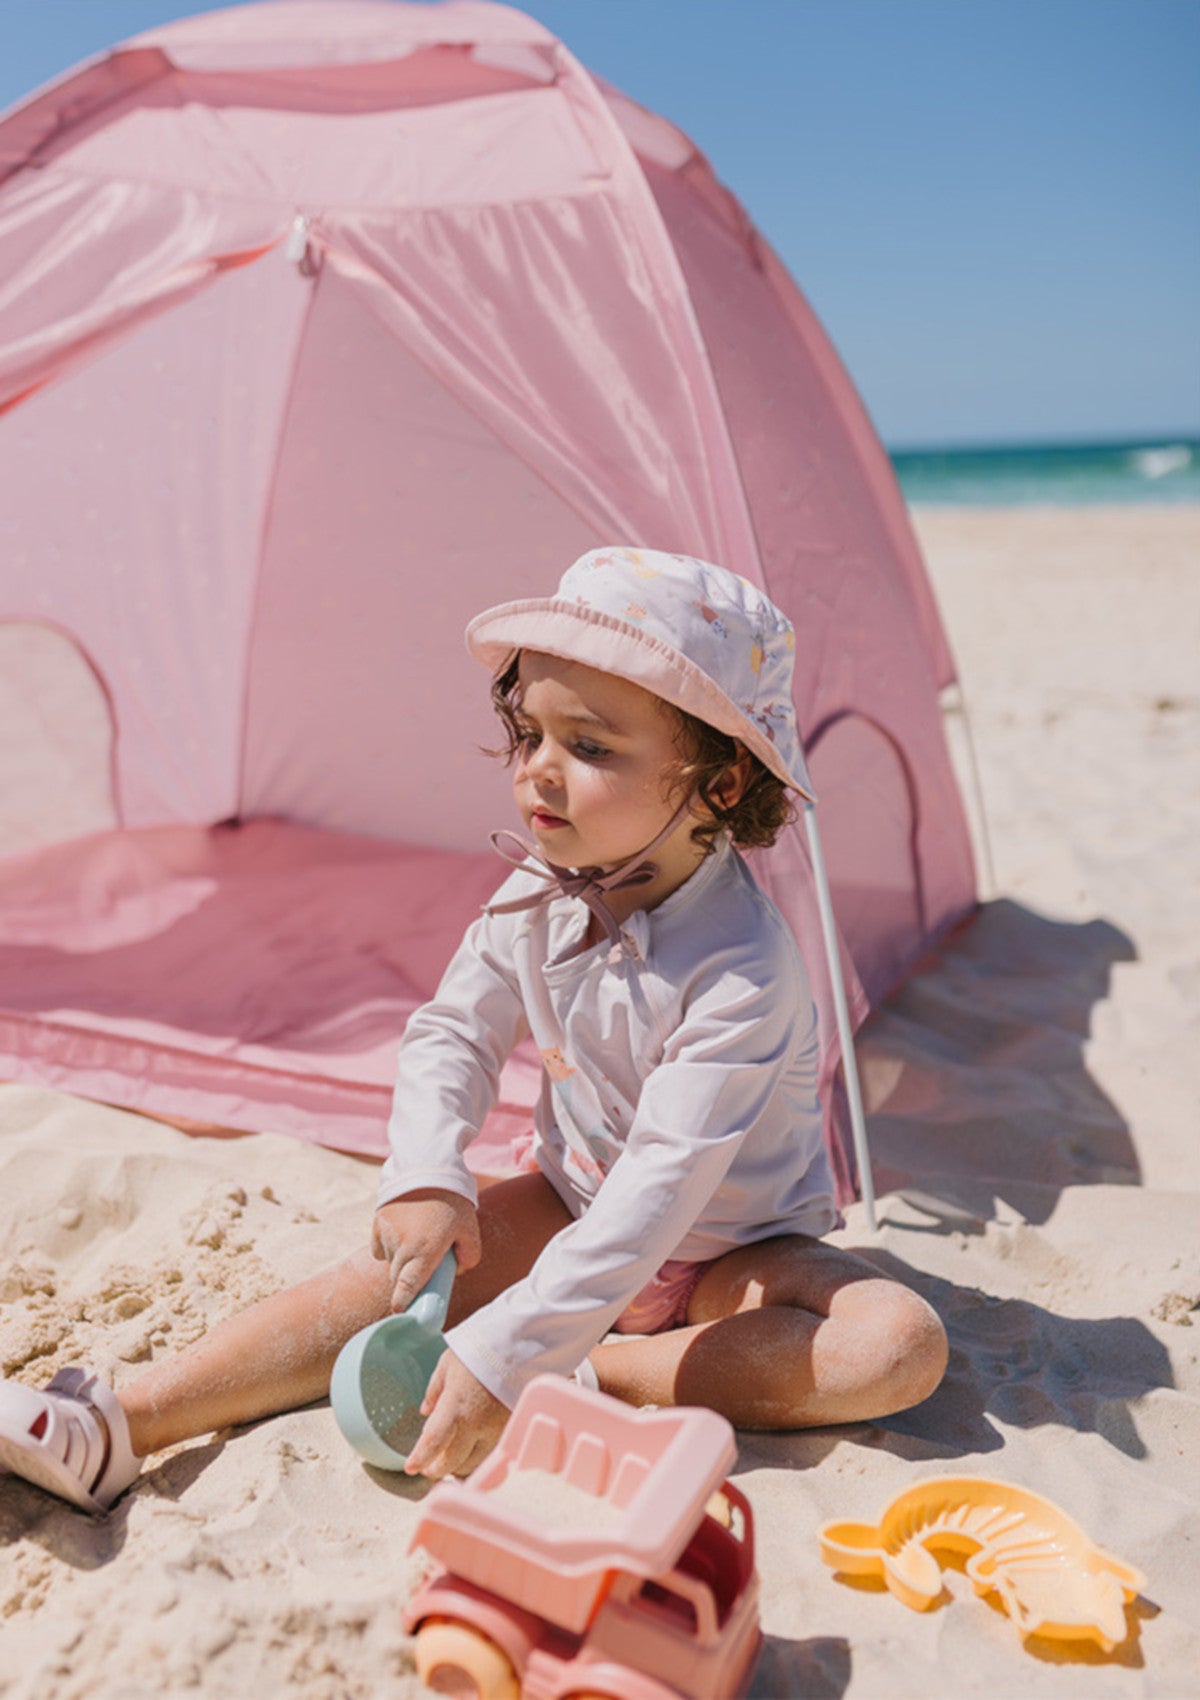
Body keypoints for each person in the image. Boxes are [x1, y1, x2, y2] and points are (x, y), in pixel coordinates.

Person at [0, 547, 947, 1512]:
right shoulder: (538, 892)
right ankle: (117, 1423)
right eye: (529, 733)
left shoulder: (744, 970)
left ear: (723, 782)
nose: (539, 770)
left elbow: (661, 1191)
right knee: (391, 1275)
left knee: (896, 1344)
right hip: (571, 1203)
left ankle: (596, 1377)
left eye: (590, 748)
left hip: (730, 1254)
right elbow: (453, 1029)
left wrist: (515, 1352)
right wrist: (426, 1170)